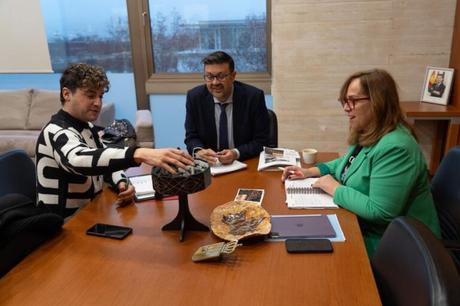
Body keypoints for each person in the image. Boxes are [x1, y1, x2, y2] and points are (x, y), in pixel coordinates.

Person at [281, 69, 441, 257]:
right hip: (363, 227)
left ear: (378, 102)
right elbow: (349, 163)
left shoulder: (397, 147)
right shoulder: (371, 132)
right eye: (345, 101)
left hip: (400, 248)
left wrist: (334, 188)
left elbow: (381, 211)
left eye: (353, 101)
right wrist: (311, 171)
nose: (346, 108)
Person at [36, 63, 193, 217]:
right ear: (66, 94)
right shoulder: (56, 130)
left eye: (100, 96)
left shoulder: (87, 127)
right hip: (62, 228)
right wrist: (138, 153)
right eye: (90, 95)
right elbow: (78, 160)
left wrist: (121, 183)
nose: (98, 103)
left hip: (89, 215)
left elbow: (104, 162)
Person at [184, 51, 270, 165]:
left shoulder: (253, 97)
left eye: (221, 76)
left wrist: (236, 153)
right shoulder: (194, 97)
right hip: (211, 166)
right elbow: (191, 137)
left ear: (233, 76)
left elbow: (262, 141)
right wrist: (199, 151)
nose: (215, 82)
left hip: (245, 163)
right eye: (209, 77)